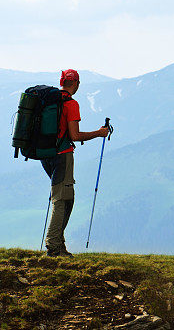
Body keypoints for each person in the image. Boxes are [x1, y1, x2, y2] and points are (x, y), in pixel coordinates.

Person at [40, 69, 109, 257]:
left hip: (45, 155)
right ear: (76, 84)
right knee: (61, 199)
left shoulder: (49, 100)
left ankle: (58, 244)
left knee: (66, 197)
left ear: (62, 81)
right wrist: (99, 133)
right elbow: (75, 136)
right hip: (62, 155)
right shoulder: (71, 104)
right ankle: (54, 246)